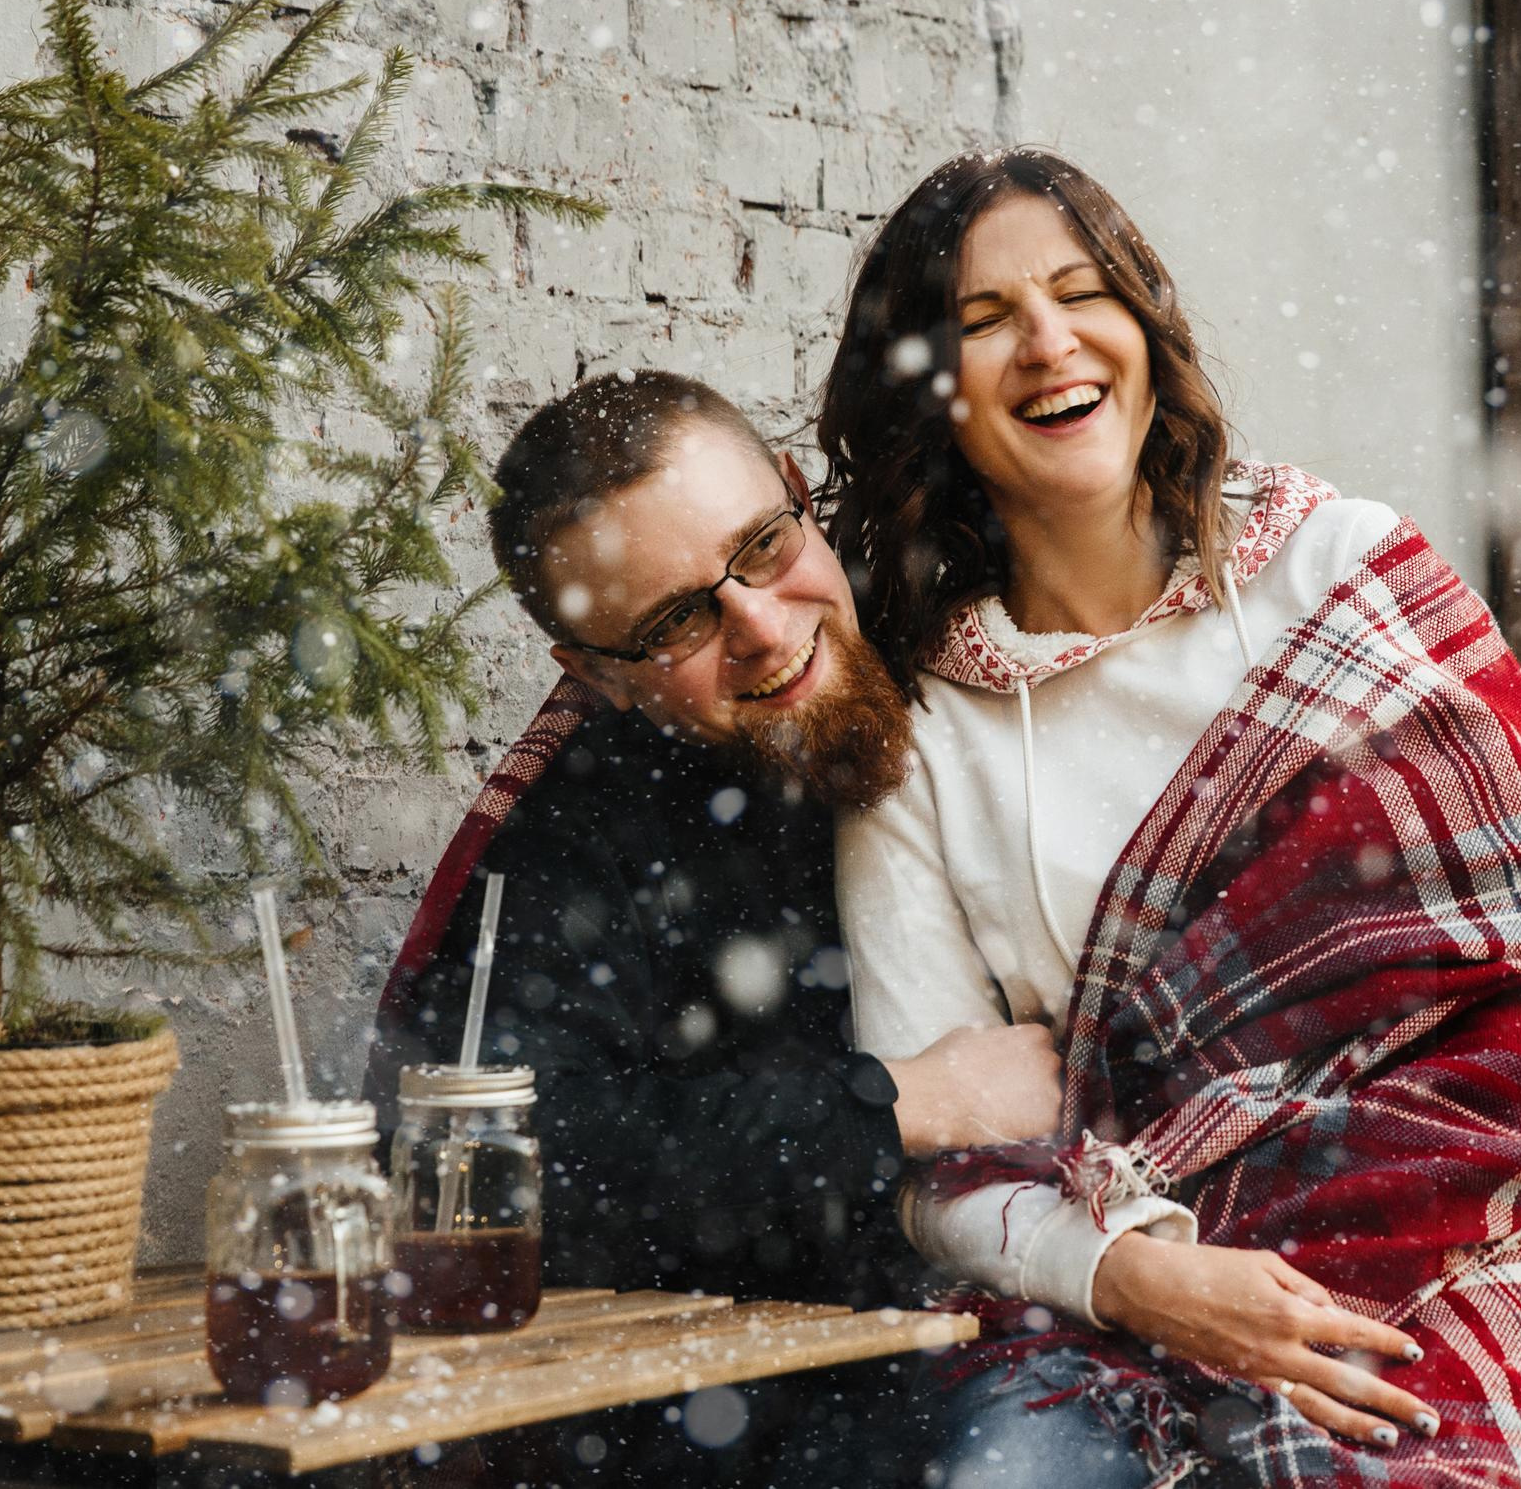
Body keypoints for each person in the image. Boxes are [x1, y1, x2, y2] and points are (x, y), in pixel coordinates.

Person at [821, 148, 1521, 1488]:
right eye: (981, 322)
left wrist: (1314, 1259)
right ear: (927, 395)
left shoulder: (1342, 574)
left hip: (1460, 1233)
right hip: (1111, 1283)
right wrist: (1141, 1276)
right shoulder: (922, 734)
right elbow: (943, 1169)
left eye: (1082, 292)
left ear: (1143, 329)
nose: (1047, 342)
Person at [370, 370, 1076, 1483]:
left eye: (760, 545)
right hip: (799, 1413)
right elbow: (514, 1173)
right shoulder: (581, 841)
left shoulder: (993, 651)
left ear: (799, 490)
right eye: (675, 619)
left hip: (1103, 1316)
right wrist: (904, 1103)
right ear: (595, 673)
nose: (758, 623)